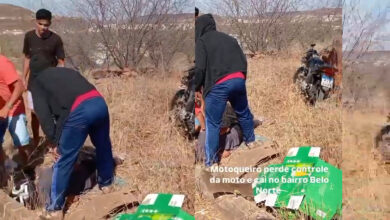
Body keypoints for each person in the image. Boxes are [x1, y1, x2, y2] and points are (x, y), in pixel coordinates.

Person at [28, 54, 114, 216]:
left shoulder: (37, 83)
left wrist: (54, 143)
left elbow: (44, 117)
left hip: (80, 111)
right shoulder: (68, 72)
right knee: (103, 145)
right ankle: (106, 183)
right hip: (99, 103)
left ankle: (55, 209)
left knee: (65, 159)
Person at [194, 14, 257, 167]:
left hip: (218, 85)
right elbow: (243, 61)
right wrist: (241, 78)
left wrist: (197, 87)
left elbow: (200, 68)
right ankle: (251, 142)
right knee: (243, 112)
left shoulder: (202, 42)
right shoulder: (230, 39)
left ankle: (212, 162)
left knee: (213, 123)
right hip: (238, 78)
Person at [22, 8, 65, 147]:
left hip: (50, 82)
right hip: (33, 82)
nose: (43, 27)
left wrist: (59, 79)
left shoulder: (56, 39)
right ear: (36, 22)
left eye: (46, 25)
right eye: (41, 24)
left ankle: (52, 141)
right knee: (34, 113)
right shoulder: (29, 37)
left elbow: (61, 62)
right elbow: (27, 58)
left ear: (50, 24)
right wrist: (23, 77)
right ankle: (35, 140)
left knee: (51, 112)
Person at [0, 55, 31, 159]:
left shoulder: (3, 63)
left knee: (22, 143)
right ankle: (3, 172)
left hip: (13, 108)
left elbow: (20, 86)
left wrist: (7, 107)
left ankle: (29, 168)